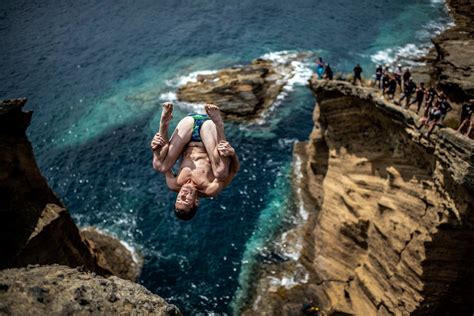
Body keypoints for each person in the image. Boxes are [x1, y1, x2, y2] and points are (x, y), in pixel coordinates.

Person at [151, 102, 240, 220]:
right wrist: (232, 153)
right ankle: (219, 124)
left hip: (187, 125)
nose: (183, 194)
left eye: (179, 198)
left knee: (159, 166)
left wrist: (156, 151)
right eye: (186, 200)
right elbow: (234, 170)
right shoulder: (209, 189)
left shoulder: (173, 184)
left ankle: (164, 122)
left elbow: (163, 157)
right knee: (221, 173)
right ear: (196, 202)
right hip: (208, 129)